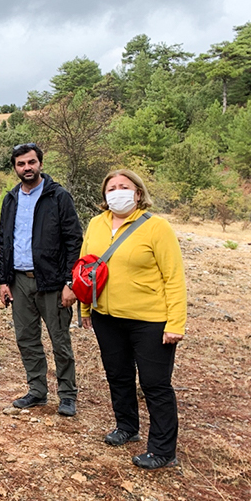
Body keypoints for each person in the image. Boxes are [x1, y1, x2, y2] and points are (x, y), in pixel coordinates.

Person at [80, 169, 186, 470]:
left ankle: (163, 450)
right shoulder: (96, 224)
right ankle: (127, 427)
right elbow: (86, 269)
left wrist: (175, 323)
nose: (117, 192)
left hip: (149, 320)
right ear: (104, 195)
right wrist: (87, 309)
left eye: (124, 187)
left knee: (155, 384)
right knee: (118, 375)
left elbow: (174, 278)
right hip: (106, 317)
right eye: (111, 187)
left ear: (138, 193)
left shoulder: (157, 227)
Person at [0, 143, 82, 416]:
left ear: (41, 164)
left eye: (31, 162)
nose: (27, 168)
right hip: (19, 281)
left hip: (53, 281)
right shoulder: (11, 199)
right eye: (21, 164)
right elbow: (4, 241)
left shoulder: (58, 196)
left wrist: (70, 282)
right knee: (26, 338)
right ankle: (37, 391)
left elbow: (74, 240)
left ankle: (67, 395)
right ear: (15, 167)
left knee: (59, 340)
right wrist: (3, 280)